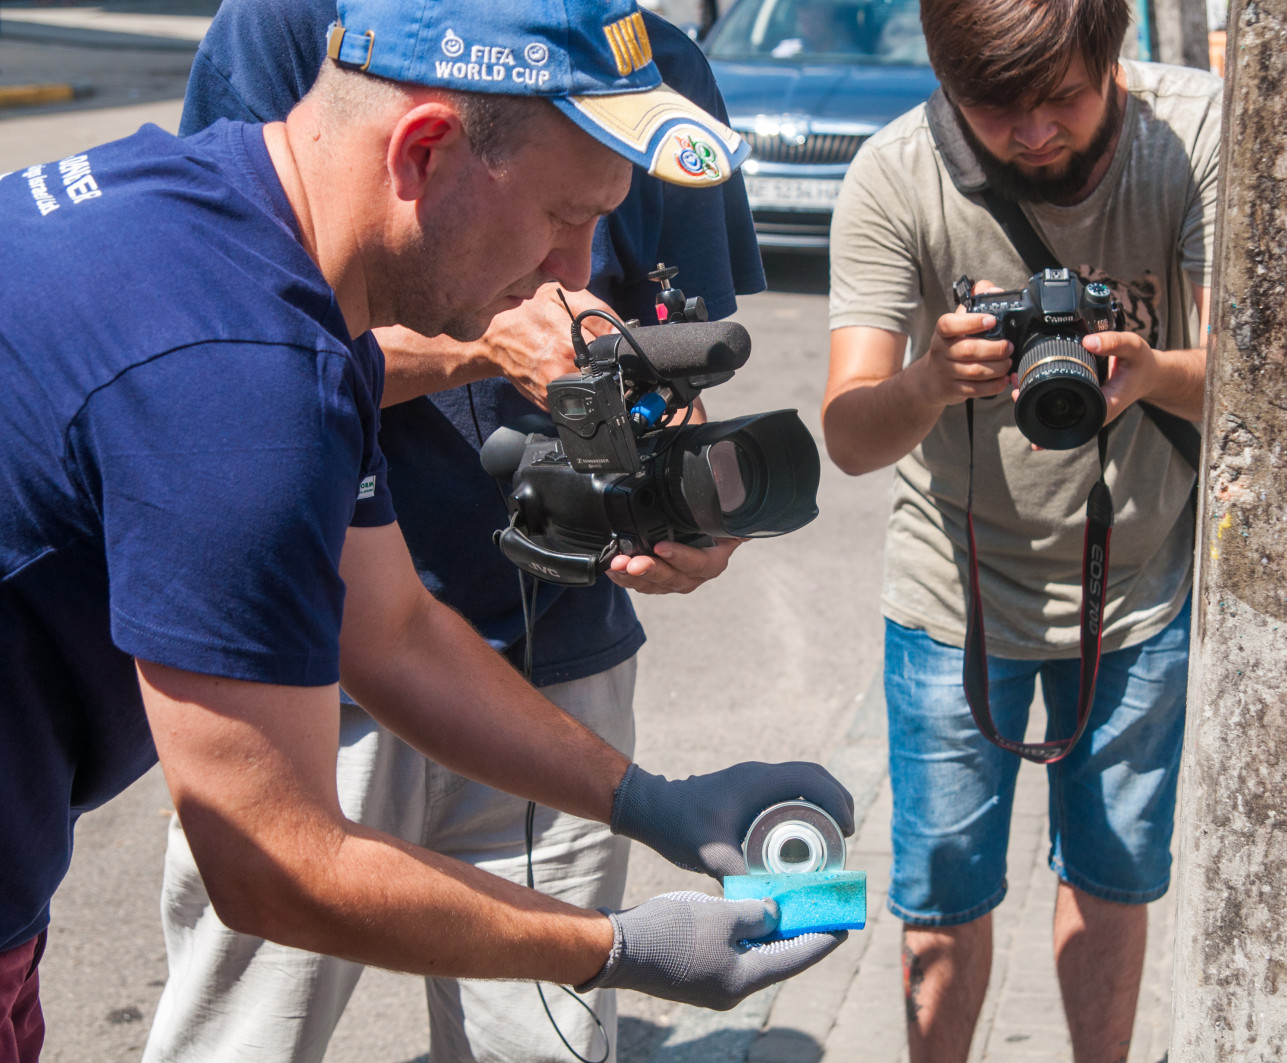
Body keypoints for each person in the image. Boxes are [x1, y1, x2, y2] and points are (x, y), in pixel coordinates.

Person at [0, 1, 853, 1060]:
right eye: (561, 217)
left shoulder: (230, 224)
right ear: (425, 150)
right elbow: (270, 859)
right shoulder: (241, 373)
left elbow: (393, 628)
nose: (580, 275)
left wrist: (650, 802)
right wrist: (611, 947)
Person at [821, 0, 1221, 1059]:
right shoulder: (893, 174)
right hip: (953, 593)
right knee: (940, 891)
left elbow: (1249, 379)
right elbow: (849, 436)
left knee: (1115, 871)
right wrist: (927, 381)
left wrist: (1145, 373)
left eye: (1063, 100)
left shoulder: (1193, 135)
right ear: (944, 80)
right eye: (996, 109)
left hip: (1139, 584)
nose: (1035, 134)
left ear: (1115, 51)